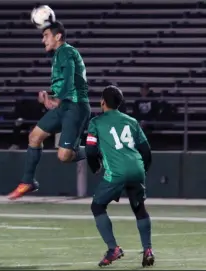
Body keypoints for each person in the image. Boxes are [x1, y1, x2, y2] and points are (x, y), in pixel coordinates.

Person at [7, 21, 90, 199]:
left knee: (64, 156)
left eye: (46, 36)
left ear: (58, 36)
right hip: (65, 105)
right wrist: (50, 95)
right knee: (34, 137)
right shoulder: (60, 54)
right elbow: (66, 82)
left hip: (75, 107)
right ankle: (28, 181)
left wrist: (56, 99)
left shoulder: (65, 51)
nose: (43, 40)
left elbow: (68, 78)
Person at [85, 85, 154, 267]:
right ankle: (148, 249)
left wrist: (95, 167)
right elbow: (146, 151)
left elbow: (91, 151)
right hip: (137, 169)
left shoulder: (96, 122)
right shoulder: (132, 121)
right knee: (139, 208)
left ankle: (113, 248)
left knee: (97, 206)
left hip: (116, 172)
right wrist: (142, 171)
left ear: (102, 102)